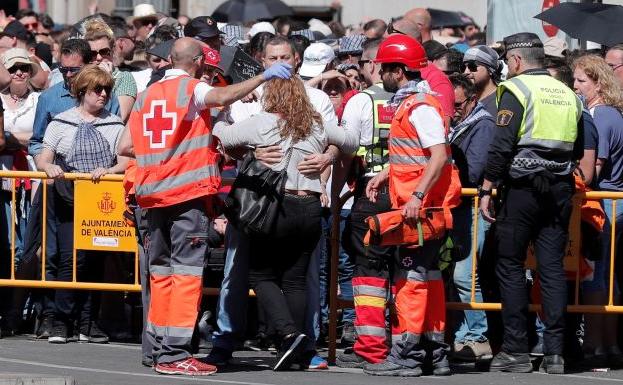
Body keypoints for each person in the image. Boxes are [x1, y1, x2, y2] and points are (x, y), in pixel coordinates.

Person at [117, 37, 292, 376]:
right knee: (185, 274)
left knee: (162, 273)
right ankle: (176, 353)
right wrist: (264, 76)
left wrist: (164, 153)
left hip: (152, 196)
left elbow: (125, 145)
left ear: (169, 59)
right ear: (197, 62)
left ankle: (159, 349)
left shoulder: (145, 96)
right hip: (186, 197)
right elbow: (221, 96)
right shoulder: (192, 88)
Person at [207, 36, 339, 370]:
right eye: (271, 57)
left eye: (284, 56)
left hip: (298, 197)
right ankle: (225, 340)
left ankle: (303, 345)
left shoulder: (317, 98)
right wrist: (253, 152)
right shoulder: (244, 97)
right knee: (236, 272)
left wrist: (326, 157)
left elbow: (337, 140)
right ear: (261, 60)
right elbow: (226, 146)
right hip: (254, 198)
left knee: (300, 277)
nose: (278, 61)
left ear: (296, 60)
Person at [479, 33, 583, 375]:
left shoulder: (516, 89)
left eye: (508, 62)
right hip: (560, 189)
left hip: (522, 189)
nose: (508, 68)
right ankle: (556, 353)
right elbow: (578, 151)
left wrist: (487, 187)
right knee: (551, 268)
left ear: (517, 61)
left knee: (509, 265)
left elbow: (502, 144)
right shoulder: (570, 94)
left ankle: (515, 350)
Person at [361, 34, 461, 377]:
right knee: (429, 279)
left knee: (410, 281)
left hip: (419, 210)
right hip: (424, 209)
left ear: (399, 71)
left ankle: (407, 356)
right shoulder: (417, 104)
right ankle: (435, 353)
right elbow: (419, 156)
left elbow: (438, 156)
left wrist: (416, 196)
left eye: (385, 69)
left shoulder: (418, 107)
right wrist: (387, 173)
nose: (380, 76)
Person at [28, 38, 120, 340]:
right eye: (98, 90)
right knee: (69, 258)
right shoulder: (61, 121)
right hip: (67, 196)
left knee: (96, 259)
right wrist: (48, 166)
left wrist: (109, 169)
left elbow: (128, 160)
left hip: (102, 198)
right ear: (83, 92)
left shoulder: (116, 124)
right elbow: (44, 153)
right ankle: (61, 321)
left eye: (107, 90)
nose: (104, 95)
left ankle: (88, 323)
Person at [335, 36, 402, 369]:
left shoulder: (361, 102)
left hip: (371, 194)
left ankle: (372, 346)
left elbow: (347, 150)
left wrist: (334, 193)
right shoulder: (425, 100)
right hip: (412, 195)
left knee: (369, 272)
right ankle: (408, 345)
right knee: (409, 271)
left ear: (375, 64)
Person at [573, 54, 623, 368]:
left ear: (598, 82)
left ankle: (596, 345)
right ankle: (610, 344)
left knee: (595, 277)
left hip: (605, 205)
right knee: (609, 278)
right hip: (614, 202)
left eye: (580, 81)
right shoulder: (613, 113)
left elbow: (593, 166)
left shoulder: (600, 116)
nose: (574, 86)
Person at [447, 73, 495, 362]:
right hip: (456, 207)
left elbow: (473, 171)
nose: (452, 111)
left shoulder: (483, 125)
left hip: (471, 206)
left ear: (472, 100)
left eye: (457, 105)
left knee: (465, 275)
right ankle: (462, 335)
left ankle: (477, 337)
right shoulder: (458, 123)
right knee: (456, 274)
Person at [84, 20, 137, 123]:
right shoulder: (82, 77)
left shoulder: (124, 78)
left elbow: (120, 116)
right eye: (93, 53)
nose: (99, 57)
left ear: (112, 51)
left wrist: (106, 81)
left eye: (104, 52)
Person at [462, 45, 500, 116]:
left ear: (490, 70)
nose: (466, 72)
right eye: (463, 67)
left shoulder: (500, 101)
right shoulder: (466, 98)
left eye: (472, 66)